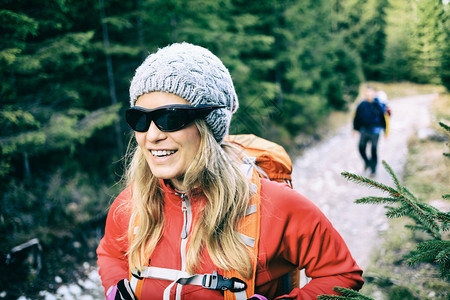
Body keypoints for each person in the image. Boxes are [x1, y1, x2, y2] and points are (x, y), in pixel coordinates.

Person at [97, 42, 364, 300]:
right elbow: (110, 253)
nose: (151, 135)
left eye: (170, 118)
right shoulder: (132, 203)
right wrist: (116, 290)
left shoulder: (276, 205)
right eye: (140, 118)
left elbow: (342, 275)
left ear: (209, 125)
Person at [353, 86, 387, 176]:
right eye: (367, 93)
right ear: (365, 94)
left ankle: (373, 170)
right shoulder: (361, 105)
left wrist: (385, 130)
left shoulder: (379, 104)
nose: (369, 94)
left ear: (374, 93)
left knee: (373, 149)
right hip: (364, 130)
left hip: (376, 130)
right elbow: (357, 117)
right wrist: (355, 128)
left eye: (370, 92)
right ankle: (367, 162)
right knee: (361, 148)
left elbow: (383, 118)